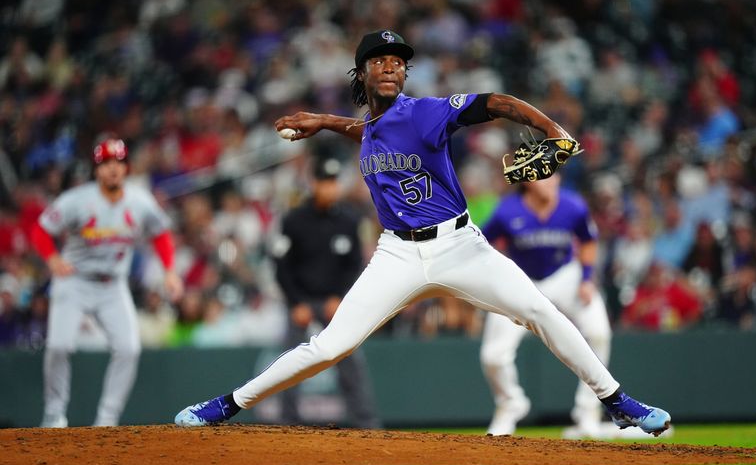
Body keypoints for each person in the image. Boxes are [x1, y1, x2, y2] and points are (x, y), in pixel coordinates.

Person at [175, 29, 671, 437]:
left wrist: (554, 131)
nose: (391, 66)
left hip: (460, 246)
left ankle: (617, 400)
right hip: (397, 256)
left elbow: (496, 102)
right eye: (380, 60)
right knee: (328, 347)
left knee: (540, 310)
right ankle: (226, 405)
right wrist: (326, 122)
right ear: (362, 72)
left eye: (398, 61)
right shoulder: (371, 126)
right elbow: (370, 129)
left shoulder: (426, 111)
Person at [31, 137, 183, 427]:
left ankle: (106, 421)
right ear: (96, 170)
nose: (113, 169)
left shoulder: (139, 200)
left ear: (126, 168)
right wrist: (51, 259)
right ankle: (53, 416)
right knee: (59, 346)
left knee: (128, 349)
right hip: (74, 281)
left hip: (113, 284)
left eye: (118, 162)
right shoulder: (77, 200)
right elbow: (42, 230)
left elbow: (161, 234)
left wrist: (170, 270)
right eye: (106, 163)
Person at [479, 173, 615, 438]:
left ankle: (587, 411)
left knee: (599, 332)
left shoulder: (573, 205)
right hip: (523, 280)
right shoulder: (507, 210)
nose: (553, 181)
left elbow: (588, 241)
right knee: (493, 356)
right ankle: (510, 404)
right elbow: (480, 242)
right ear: (528, 181)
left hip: (566, 275)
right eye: (545, 176)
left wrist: (587, 278)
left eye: (554, 175)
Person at [273, 157, 380, 428]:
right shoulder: (294, 220)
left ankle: (365, 423)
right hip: (302, 303)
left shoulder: (349, 220)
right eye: (325, 182)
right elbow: (282, 266)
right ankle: (288, 423)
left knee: (351, 363)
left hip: (336, 303)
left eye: (333, 182)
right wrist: (296, 302)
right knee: (290, 364)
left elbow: (356, 265)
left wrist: (341, 298)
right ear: (313, 183)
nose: (330, 188)